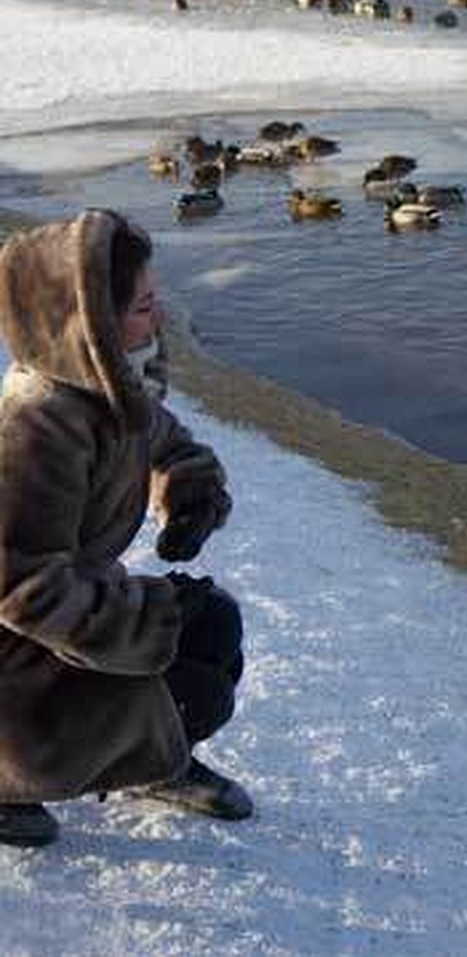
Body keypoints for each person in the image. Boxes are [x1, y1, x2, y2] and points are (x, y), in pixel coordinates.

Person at [0, 208, 250, 848]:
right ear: (92, 324)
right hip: (13, 660)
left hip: (62, 623)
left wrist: (190, 490)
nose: (158, 320)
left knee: (212, 625)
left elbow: (167, 439)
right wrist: (143, 623)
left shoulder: (103, 392)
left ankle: (150, 760)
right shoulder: (38, 429)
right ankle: (10, 779)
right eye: (142, 307)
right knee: (189, 673)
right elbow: (21, 588)